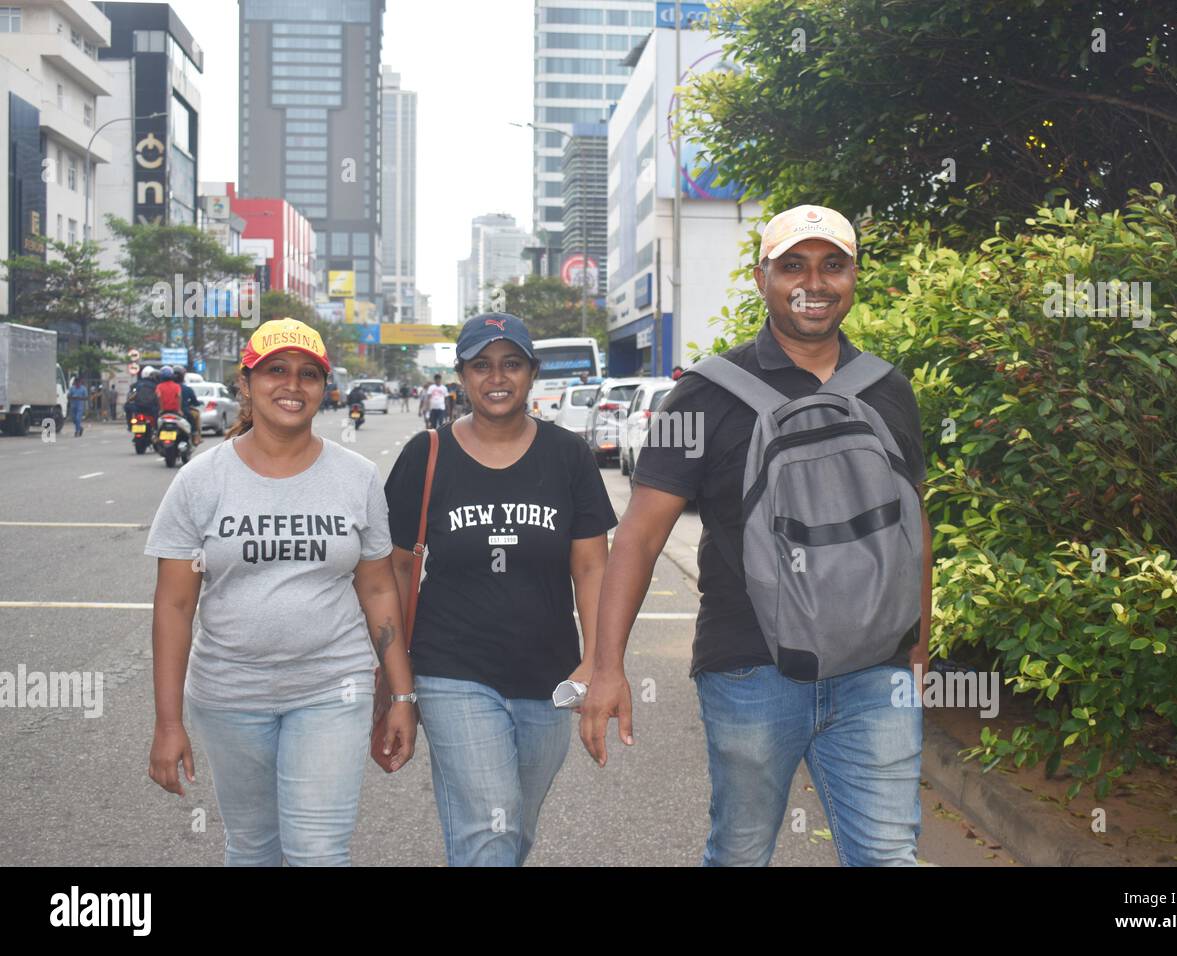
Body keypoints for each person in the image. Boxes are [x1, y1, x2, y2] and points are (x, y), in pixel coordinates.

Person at [580, 204, 931, 867]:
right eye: (792, 264)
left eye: (833, 264)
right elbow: (641, 537)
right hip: (750, 668)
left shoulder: (889, 389)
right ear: (760, 277)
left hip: (875, 672)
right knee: (741, 854)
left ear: (855, 276)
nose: (814, 282)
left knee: (888, 855)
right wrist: (606, 666)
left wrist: (918, 650)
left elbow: (915, 524)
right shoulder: (704, 396)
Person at [144, 318, 418, 866]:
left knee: (318, 852)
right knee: (253, 849)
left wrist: (401, 696)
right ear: (245, 384)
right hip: (228, 693)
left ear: (323, 387)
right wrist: (168, 723)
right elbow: (174, 607)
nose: (292, 385)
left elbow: (380, 590)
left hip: (331, 687)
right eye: (275, 370)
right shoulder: (200, 481)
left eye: (308, 374)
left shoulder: (357, 477)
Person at [385, 313, 617, 866]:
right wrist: (398, 686)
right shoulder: (426, 455)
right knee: (491, 827)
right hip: (451, 671)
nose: (497, 377)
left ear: (531, 373)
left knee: (515, 830)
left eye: (511, 363)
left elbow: (591, 568)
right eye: (481, 365)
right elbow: (391, 574)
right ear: (461, 376)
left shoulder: (568, 456)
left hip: (548, 675)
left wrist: (598, 660)